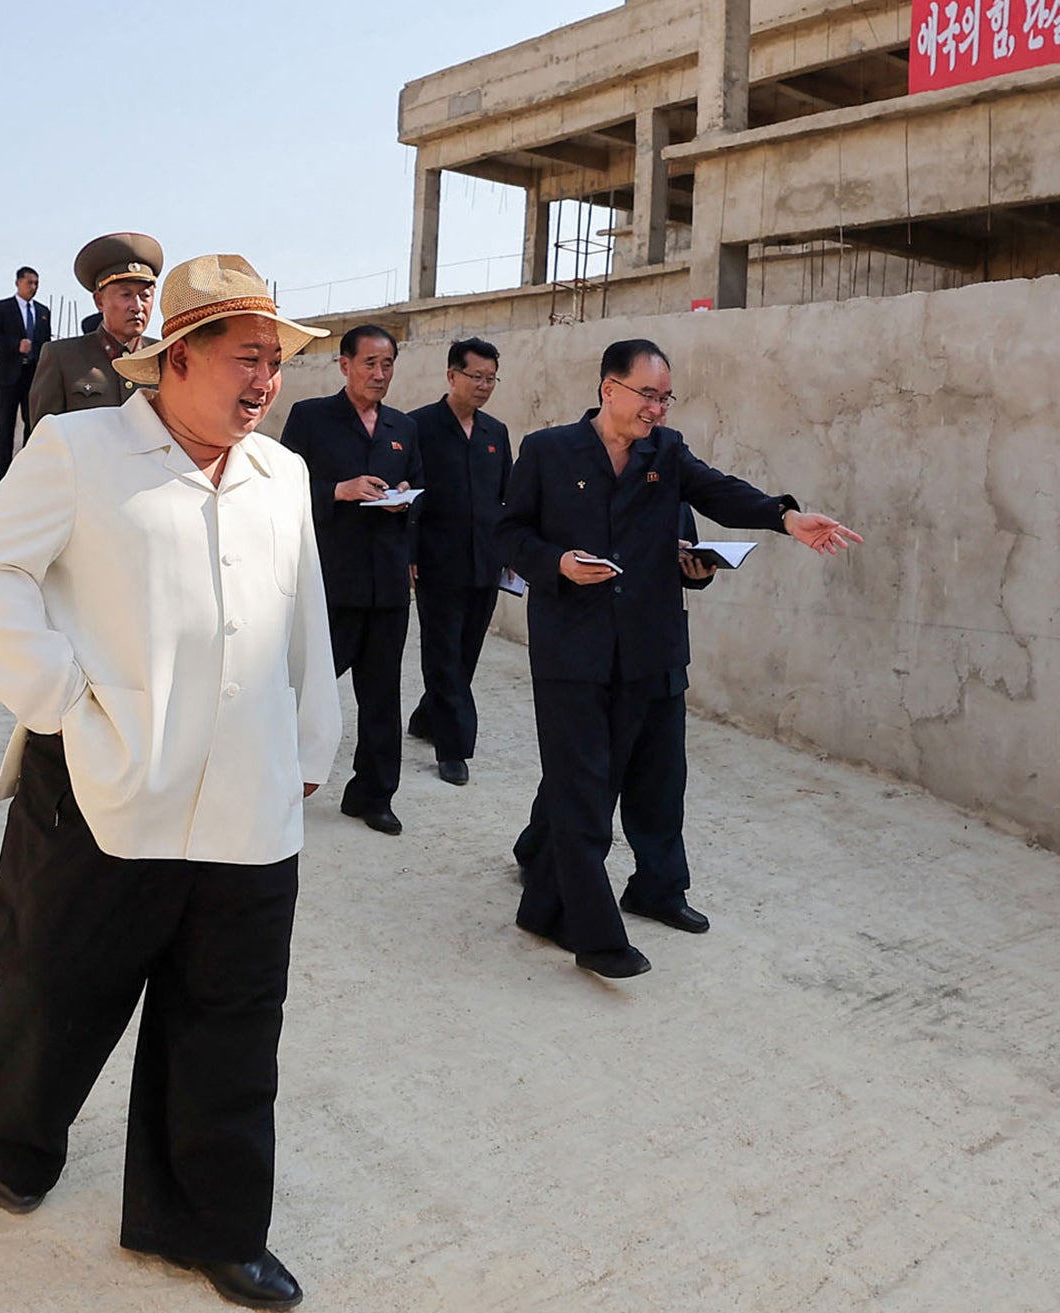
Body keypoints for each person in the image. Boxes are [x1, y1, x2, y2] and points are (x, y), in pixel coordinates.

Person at [0, 252, 337, 1312]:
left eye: (277, 363)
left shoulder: (281, 475)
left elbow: (305, 616)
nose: (266, 382)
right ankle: (22, 1142)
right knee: (52, 991)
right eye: (248, 359)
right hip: (103, 791)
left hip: (247, 803)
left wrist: (311, 743)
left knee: (234, 1021)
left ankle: (209, 1226)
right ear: (176, 359)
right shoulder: (79, 449)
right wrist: (65, 701)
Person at [496, 337, 862, 978]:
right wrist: (557, 563)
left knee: (657, 784)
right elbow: (508, 532)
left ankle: (602, 897)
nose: (657, 410)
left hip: (648, 647)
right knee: (583, 795)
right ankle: (595, 936)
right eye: (648, 395)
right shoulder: (549, 451)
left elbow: (719, 493)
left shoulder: (667, 451)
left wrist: (784, 517)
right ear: (609, 388)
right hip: (572, 651)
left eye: (665, 398)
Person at [276, 324, 419, 831]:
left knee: (382, 696)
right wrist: (340, 490)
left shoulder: (403, 428)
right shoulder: (312, 418)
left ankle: (373, 795)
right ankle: (275, 776)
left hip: (386, 584)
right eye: (369, 364)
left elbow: (418, 493)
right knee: (300, 685)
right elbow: (283, 491)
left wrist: (402, 493)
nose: (379, 375)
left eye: (387, 365)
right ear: (344, 365)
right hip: (330, 581)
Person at [404, 337, 511, 787]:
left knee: (466, 651)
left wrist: (512, 551)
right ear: (452, 376)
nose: (484, 386)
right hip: (436, 560)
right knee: (443, 653)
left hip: (485, 560)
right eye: (476, 377)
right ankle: (453, 748)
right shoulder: (418, 427)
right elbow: (407, 495)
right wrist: (408, 553)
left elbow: (508, 497)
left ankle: (428, 717)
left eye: (491, 378)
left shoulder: (495, 433)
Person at [23, 233, 161, 428]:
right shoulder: (61, 358)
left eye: (145, 295)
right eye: (126, 294)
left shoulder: (166, 358)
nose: (137, 306)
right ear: (99, 301)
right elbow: (46, 442)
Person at [0, 265, 52, 478]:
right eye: (30, 282)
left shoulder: (42, 312)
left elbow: (46, 343)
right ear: (18, 282)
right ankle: (3, 472)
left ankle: (27, 468)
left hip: (33, 375)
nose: (34, 287)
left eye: (36, 283)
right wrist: (15, 345)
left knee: (32, 422)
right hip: (8, 374)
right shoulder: (1, 308)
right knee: (5, 423)